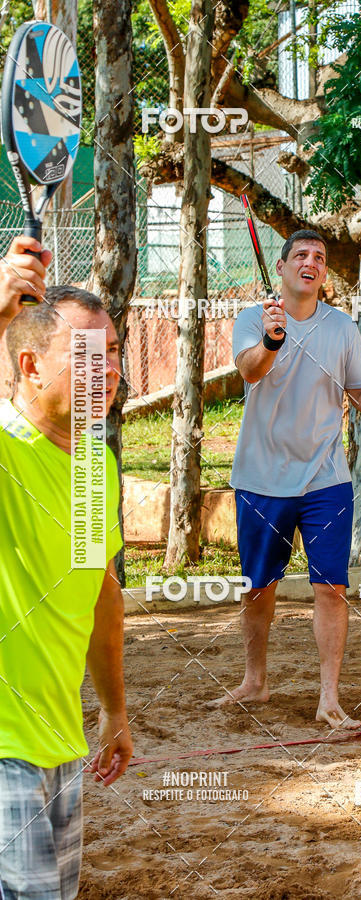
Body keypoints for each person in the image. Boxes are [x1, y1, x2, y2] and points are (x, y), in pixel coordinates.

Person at [210, 229, 361, 729]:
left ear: (323, 273)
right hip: (261, 479)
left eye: (320, 257)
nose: (312, 261)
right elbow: (250, 372)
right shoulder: (254, 320)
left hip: (326, 480)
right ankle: (255, 682)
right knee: (258, 588)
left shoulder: (341, 327)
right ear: (282, 267)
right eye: (301, 254)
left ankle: (329, 698)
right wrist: (271, 340)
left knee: (331, 587)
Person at [0, 236, 133, 900]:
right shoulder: (6, 446)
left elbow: (100, 595)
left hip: (60, 744)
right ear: (29, 366)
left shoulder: (94, 465)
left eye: (112, 352)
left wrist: (114, 708)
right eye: (86, 354)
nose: (107, 369)